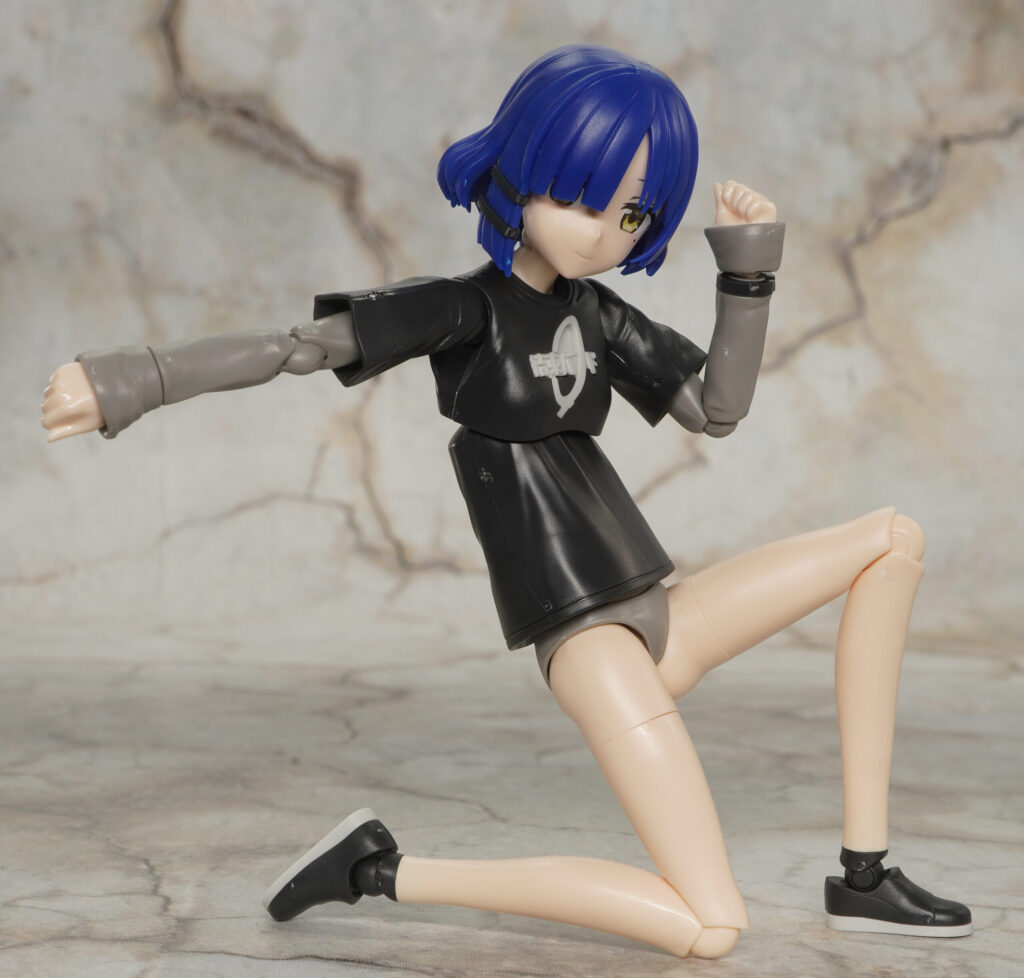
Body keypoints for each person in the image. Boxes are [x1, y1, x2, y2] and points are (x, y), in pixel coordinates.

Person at [41, 44, 970, 959]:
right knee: (708, 924)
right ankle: (376, 870)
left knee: (891, 540)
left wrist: (747, 273)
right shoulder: (463, 311)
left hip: (658, 610)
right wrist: (131, 379)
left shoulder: (599, 315)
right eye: (579, 197)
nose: (603, 234)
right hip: (588, 641)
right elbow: (297, 348)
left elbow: (716, 409)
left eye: (632, 214)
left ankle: (864, 875)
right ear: (520, 173)